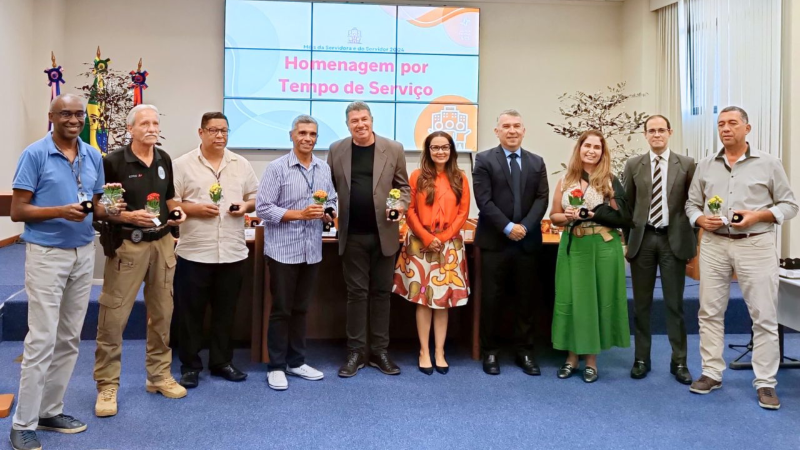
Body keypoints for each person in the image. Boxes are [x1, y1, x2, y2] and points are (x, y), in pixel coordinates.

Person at [8, 94, 107, 450]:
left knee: (68, 338)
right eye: (66, 113)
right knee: (42, 339)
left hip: (83, 252)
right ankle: (23, 423)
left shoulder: (92, 155)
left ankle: (50, 411)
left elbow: (96, 203)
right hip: (47, 254)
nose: (74, 119)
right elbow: (18, 211)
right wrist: (59, 211)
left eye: (79, 114)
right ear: (51, 116)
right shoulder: (35, 154)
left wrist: (112, 209)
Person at [685, 106, 798, 410]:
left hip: (755, 243)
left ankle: (765, 382)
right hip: (714, 244)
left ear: (747, 128)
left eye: (732, 123)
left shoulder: (769, 163)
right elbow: (692, 204)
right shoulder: (705, 165)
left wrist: (758, 216)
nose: (725, 128)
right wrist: (700, 219)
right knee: (709, 311)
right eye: (721, 123)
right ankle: (711, 372)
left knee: (764, 315)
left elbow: (789, 206)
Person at [93, 104, 187, 418]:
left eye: (155, 123)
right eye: (144, 123)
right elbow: (102, 207)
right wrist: (128, 216)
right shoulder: (113, 161)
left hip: (162, 243)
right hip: (128, 246)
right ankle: (107, 385)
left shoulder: (163, 159)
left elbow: (169, 198)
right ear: (130, 129)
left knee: (162, 315)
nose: (151, 128)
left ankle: (158, 376)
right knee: (113, 318)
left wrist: (177, 212)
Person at [172, 112, 258, 389]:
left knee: (225, 312)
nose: (220, 135)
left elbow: (254, 197)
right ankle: (190, 366)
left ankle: (222, 362)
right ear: (201, 132)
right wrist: (194, 209)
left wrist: (245, 207)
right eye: (213, 130)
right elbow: (170, 202)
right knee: (190, 314)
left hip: (232, 252)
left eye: (224, 130)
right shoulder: (182, 164)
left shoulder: (240, 164)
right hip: (195, 252)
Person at [327, 101, 411, 378]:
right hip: (352, 235)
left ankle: (379, 352)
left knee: (381, 294)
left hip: (384, 235)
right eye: (354, 121)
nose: (360, 124)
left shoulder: (393, 148)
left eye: (364, 119)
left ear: (372, 120)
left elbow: (403, 188)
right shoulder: (336, 149)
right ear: (347, 124)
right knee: (356, 295)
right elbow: (328, 189)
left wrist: (400, 206)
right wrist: (327, 209)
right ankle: (355, 352)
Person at [256, 115, 337, 390]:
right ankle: (276, 366)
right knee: (282, 309)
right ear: (292, 136)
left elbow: (332, 199)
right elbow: (263, 208)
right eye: (302, 133)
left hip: (311, 250)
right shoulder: (277, 168)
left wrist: (328, 212)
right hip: (283, 250)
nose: (307, 138)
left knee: (301, 309)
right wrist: (299, 214)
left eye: (312, 134)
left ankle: (296, 361)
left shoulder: (323, 168)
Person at [549, 129, 631, 383]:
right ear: (579, 149)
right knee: (571, 299)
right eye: (587, 146)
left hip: (602, 246)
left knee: (596, 300)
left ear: (602, 152)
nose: (591, 151)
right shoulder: (565, 180)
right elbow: (554, 216)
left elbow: (622, 217)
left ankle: (592, 361)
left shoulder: (609, 181)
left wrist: (595, 213)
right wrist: (567, 217)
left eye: (597, 147)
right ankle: (571, 357)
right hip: (573, 244)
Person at [472, 109, 549, 376]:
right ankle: (490, 352)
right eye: (506, 126)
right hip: (495, 241)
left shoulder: (537, 162)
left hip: (527, 242)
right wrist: (507, 228)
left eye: (517, 126)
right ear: (497, 131)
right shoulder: (484, 160)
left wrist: (524, 227)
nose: (512, 130)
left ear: (524, 131)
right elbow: (484, 200)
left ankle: (524, 351)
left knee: (526, 299)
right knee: (491, 299)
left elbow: (542, 199)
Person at [623, 115, 695, 384]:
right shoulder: (633, 164)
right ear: (645, 134)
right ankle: (641, 359)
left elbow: (693, 204)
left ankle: (680, 362)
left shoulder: (686, 164)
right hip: (642, 241)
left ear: (670, 132)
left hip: (671, 241)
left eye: (661, 130)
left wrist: (691, 240)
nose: (656, 135)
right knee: (641, 306)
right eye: (651, 131)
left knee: (675, 305)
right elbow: (627, 206)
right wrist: (628, 241)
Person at [393, 131, 471, 375]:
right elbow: (410, 211)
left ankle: (440, 351)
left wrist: (443, 238)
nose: (440, 152)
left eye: (445, 147)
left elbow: (463, 213)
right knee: (424, 300)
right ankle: (424, 351)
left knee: (442, 301)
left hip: (449, 245)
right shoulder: (417, 176)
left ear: (451, 150)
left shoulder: (460, 177)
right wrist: (428, 238)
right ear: (428, 151)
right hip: (421, 244)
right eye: (435, 148)